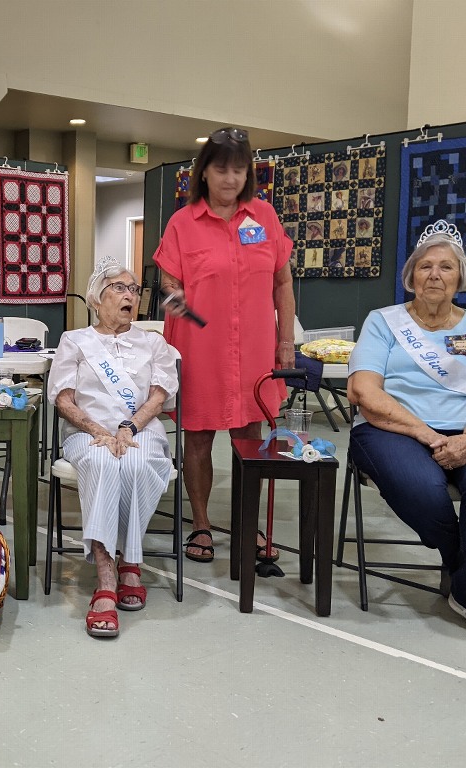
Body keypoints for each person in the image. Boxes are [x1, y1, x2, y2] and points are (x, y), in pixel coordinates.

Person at [347, 219, 466, 642]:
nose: (434, 275)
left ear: (460, 278)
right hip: (393, 429)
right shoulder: (383, 322)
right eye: (425, 266)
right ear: (411, 276)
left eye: (446, 267)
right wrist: (427, 435)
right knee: (423, 490)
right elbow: (364, 391)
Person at [153, 127, 295, 564]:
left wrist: (286, 341)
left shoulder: (264, 217)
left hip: (254, 349)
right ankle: (201, 524)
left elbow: (283, 283)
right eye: (221, 169)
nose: (230, 178)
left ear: (248, 173)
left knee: (250, 437)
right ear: (204, 173)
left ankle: (248, 523)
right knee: (198, 439)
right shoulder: (183, 223)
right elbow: (166, 285)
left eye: (239, 169)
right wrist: (178, 298)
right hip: (202, 348)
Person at [48, 258, 179, 638]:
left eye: (134, 290)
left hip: (141, 430)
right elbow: (64, 399)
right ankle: (108, 575)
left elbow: (159, 396)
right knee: (104, 464)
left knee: (136, 464)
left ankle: (131, 564)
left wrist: (128, 427)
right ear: (95, 298)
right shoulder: (75, 341)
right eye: (119, 288)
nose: (130, 296)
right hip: (86, 432)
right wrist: (97, 430)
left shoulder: (153, 342)